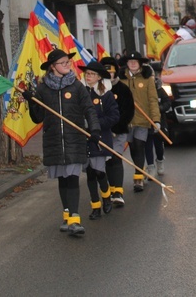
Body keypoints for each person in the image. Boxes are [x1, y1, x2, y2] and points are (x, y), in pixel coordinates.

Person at [24, 49, 101, 237]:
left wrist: (95, 129)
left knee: (73, 177)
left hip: (74, 139)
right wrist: (32, 102)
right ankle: (67, 214)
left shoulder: (76, 86)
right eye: (63, 63)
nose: (67, 65)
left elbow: (89, 109)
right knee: (63, 178)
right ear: (53, 67)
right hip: (54, 140)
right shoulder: (43, 88)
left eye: (68, 62)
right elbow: (37, 118)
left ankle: (75, 219)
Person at [79, 61, 120, 220]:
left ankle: (106, 195)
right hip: (84, 138)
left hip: (100, 138)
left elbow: (114, 116)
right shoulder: (80, 93)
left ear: (98, 77)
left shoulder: (106, 95)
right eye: (87, 74)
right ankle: (95, 206)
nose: (88, 77)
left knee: (99, 171)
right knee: (89, 173)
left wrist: (95, 125)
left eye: (92, 74)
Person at [119, 51, 161, 192]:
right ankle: (140, 171)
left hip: (143, 120)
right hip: (127, 119)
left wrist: (156, 119)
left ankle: (138, 179)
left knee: (139, 145)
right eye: (130, 62)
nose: (132, 64)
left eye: (135, 62)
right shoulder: (121, 79)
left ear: (140, 64)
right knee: (132, 147)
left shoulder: (147, 78)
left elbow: (153, 100)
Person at [99, 56, 135, 207]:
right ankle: (110, 189)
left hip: (119, 131)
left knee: (117, 158)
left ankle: (118, 192)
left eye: (111, 72)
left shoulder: (123, 89)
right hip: (103, 131)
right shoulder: (97, 90)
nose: (109, 75)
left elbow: (128, 111)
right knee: (107, 160)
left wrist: (117, 126)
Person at [146, 65, 172, 177]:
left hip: (159, 121)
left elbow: (167, 103)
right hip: (146, 122)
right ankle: (150, 166)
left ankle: (160, 161)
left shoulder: (160, 90)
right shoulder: (142, 89)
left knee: (158, 144)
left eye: (151, 76)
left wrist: (160, 108)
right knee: (147, 145)